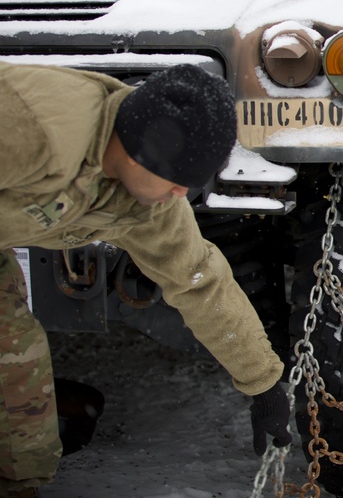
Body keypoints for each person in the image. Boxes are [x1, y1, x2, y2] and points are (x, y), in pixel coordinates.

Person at [0, 62, 292, 498]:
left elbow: (199, 282)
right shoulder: (34, 127)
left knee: (15, 355)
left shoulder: (148, 206)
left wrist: (264, 385)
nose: (181, 196)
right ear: (141, 149)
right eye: (178, 180)